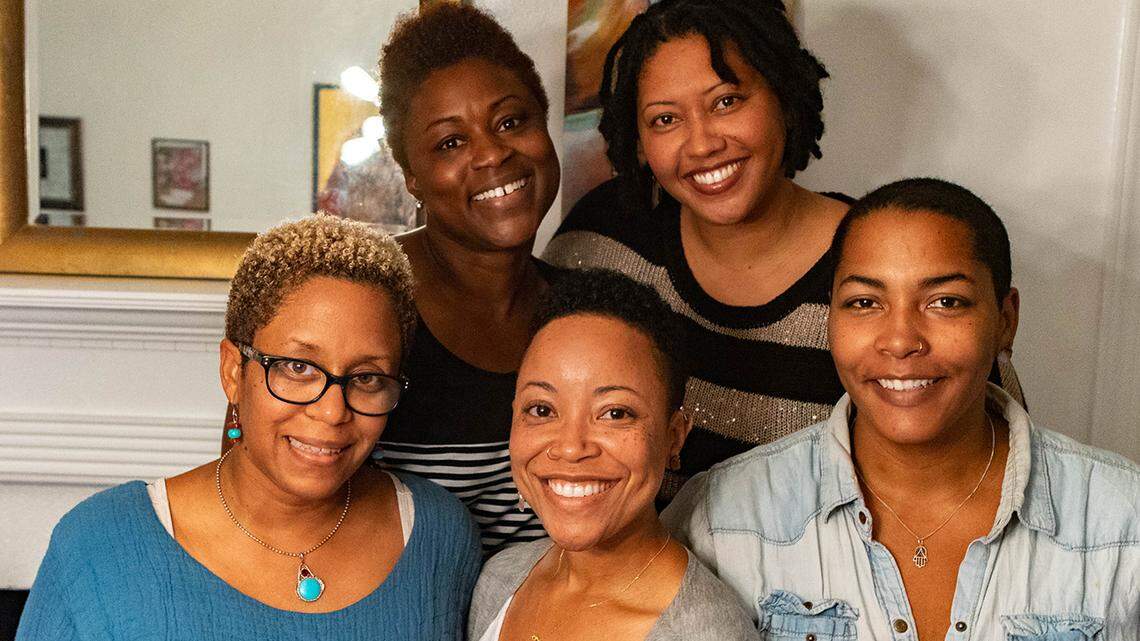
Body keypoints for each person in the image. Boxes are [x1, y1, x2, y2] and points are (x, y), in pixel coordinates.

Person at [543, 0, 1025, 499]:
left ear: (783, 100)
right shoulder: (601, 240)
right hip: (639, 571)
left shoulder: (883, 260)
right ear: (639, 141)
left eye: (726, 102)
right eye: (665, 119)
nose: (702, 143)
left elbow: (993, 473)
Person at [663, 179, 1139, 639]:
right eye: (865, 302)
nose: (900, 341)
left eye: (945, 301)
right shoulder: (720, 522)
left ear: (1005, 321)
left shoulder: (1124, 522)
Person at [18, 216, 482, 640]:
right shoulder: (100, 545)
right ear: (233, 372)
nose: (332, 412)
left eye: (365, 378)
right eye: (298, 367)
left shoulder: (440, 536)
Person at [469, 270, 759, 641]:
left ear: (673, 438)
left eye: (615, 413)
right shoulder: (499, 581)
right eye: (542, 410)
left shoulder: (704, 633)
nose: (571, 447)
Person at [376, 3, 562, 554]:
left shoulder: (575, 313)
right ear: (411, 176)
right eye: (450, 143)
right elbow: (261, 497)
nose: (491, 153)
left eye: (511, 122)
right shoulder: (367, 296)